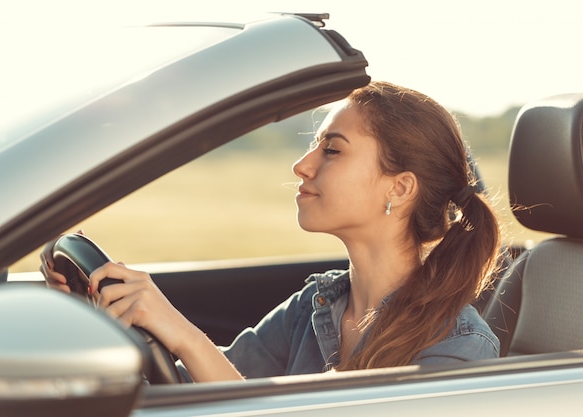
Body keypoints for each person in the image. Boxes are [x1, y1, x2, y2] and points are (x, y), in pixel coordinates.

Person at [41, 81, 502, 382]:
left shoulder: (458, 348)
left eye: (333, 151)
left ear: (399, 188)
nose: (302, 166)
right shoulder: (315, 308)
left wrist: (183, 333)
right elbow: (199, 388)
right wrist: (101, 313)